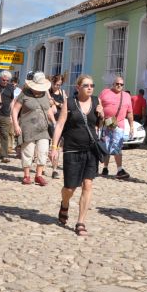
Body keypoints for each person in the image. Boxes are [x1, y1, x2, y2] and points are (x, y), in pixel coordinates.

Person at [51, 74, 104, 237]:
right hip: (72, 149)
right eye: (86, 85)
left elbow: (99, 125)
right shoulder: (71, 103)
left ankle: (81, 222)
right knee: (70, 187)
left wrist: (102, 115)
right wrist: (54, 147)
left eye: (92, 85)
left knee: (88, 184)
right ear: (78, 88)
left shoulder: (96, 101)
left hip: (91, 149)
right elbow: (59, 125)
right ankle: (65, 203)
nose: (90, 88)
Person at [12, 72, 55, 186]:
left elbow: (48, 109)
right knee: (28, 152)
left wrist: (54, 122)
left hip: (43, 128)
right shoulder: (24, 94)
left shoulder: (45, 94)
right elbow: (15, 110)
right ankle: (26, 175)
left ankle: (39, 175)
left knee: (43, 151)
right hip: (27, 127)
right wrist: (16, 125)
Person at [98, 75, 134, 179]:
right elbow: (99, 106)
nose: (119, 86)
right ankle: (105, 167)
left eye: (121, 84)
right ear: (113, 84)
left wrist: (131, 126)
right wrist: (99, 119)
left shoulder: (126, 96)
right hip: (106, 123)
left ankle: (119, 170)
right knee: (106, 146)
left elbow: (130, 112)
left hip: (119, 124)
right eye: (117, 84)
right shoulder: (105, 92)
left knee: (117, 146)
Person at [0, 71, 19, 163]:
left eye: (7, 80)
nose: (5, 81)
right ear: (0, 78)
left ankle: (4, 155)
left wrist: (11, 114)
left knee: (5, 134)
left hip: (5, 114)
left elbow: (12, 101)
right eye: (3, 80)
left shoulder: (11, 88)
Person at [49, 74, 65, 179]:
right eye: (56, 84)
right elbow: (49, 102)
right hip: (48, 121)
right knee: (46, 146)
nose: (57, 86)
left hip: (59, 121)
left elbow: (65, 105)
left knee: (57, 146)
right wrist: (56, 103)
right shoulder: (47, 91)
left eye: (59, 85)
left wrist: (57, 104)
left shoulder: (62, 93)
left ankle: (54, 169)